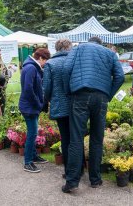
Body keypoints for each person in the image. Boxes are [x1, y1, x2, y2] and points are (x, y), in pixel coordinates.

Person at [61, 36, 124, 193]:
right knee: (97, 139)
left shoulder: (78, 48)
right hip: (101, 97)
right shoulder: (109, 53)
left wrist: (68, 91)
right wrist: (108, 95)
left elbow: (66, 69)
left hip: (80, 94)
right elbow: (120, 76)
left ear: (89, 41)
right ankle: (95, 179)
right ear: (100, 43)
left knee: (76, 139)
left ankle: (72, 182)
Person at [43, 39, 84, 179]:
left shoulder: (50, 64)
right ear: (68, 47)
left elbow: (46, 88)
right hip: (77, 104)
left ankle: (69, 172)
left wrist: (49, 99)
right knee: (77, 138)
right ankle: (80, 169)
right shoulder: (75, 61)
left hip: (60, 105)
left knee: (66, 139)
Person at [19, 48, 51, 173]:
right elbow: (28, 89)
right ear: (41, 58)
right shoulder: (31, 68)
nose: (45, 64)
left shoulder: (33, 67)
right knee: (32, 134)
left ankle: (33, 156)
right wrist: (39, 103)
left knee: (33, 132)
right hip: (29, 107)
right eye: (45, 61)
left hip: (31, 106)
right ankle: (28, 162)